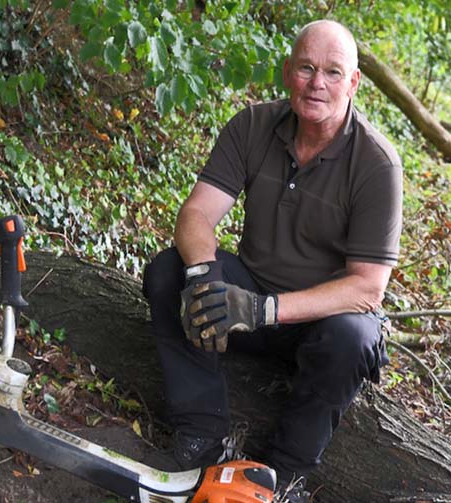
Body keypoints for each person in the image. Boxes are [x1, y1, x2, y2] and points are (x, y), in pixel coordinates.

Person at [142, 19, 403, 502]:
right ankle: (201, 434)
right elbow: (197, 212)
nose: (317, 83)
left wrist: (261, 309)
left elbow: (368, 288)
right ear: (288, 72)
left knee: (355, 334)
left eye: (331, 72)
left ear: (354, 82)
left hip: (317, 326)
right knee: (167, 272)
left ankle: (284, 476)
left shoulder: (377, 165)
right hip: (246, 298)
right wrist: (203, 277)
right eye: (306, 68)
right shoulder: (253, 125)